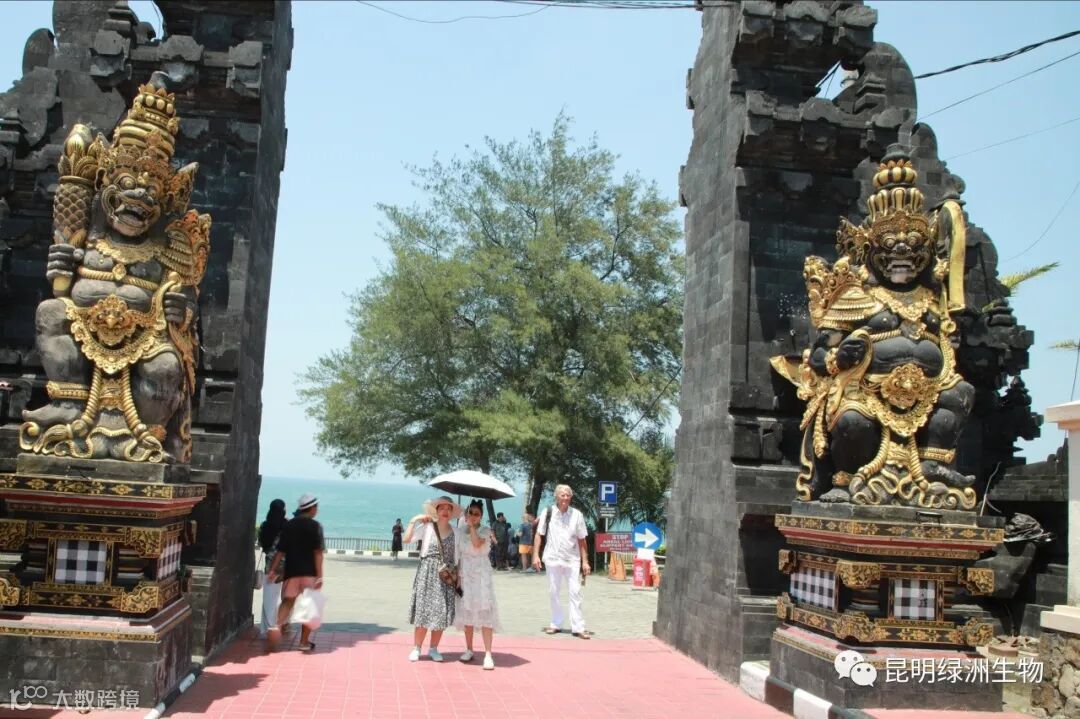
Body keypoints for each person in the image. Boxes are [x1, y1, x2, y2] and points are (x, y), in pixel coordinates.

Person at [404, 496, 460, 662]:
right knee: (423, 611)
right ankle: (417, 648)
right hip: (427, 573)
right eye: (442, 508)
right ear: (436, 511)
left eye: (448, 509)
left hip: (445, 576)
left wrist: (459, 578)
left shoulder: (456, 532)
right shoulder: (428, 527)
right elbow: (406, 539)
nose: (445, 511)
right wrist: (414, 520)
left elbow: (459, 556)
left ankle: (434, 648)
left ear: (452, 513)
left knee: (440, 613)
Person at [267, 493, 325, 652]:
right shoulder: (316, 526)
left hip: (292, 571)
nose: (317, 510)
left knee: (287, 602)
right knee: (309, 607)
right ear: (311, 508)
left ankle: (277, 626)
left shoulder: (289, 525)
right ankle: (303, 642)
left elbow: (280, 551)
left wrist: (272, 570)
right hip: (309, 573)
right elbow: (318, 553)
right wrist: (320, 576)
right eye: (316, 507)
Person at [533, 484, 591, 639]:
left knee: (575, 592)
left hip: (572, 559)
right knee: (554, 592)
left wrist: (585, 561)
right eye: (562, 495)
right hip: (552, 558)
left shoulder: (577, 515)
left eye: (568, 495)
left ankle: (578, 627)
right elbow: (539, 534)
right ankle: (556, 623)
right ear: (556, 497)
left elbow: (582, 539)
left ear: (571, 497)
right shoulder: (548, 512)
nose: (565, 498)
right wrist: (535, 556)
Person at [455, 500, 500, 670]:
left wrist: (472, 527)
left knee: (484, 611)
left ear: (481, 516)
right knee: (467, 610)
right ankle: (469, 649)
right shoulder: (461, 531)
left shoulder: (486, 531)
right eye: (471, 513)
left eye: (477, 514)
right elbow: (459, 555)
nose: (473, 516)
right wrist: (458, 577)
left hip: (481, 576)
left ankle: (488, 654)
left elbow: (476, 543)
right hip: (465, 574)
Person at [257, 499, 288, 637]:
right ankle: (277, 625)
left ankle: (267, 628)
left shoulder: (265, 526)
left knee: (268, 599)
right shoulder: (286, 526)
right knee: (285, 598)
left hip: (269, 565)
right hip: (285, 566)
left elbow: (262, 544)